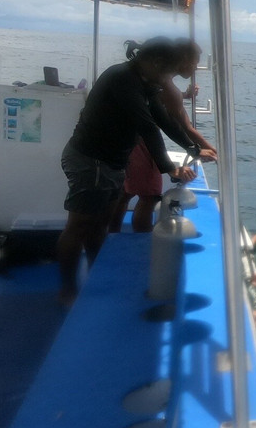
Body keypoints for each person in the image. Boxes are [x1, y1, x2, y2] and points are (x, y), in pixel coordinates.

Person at [56, 38, 200, 306]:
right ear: (156, 63)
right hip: (90, 161)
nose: (167, 80)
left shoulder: (145, 81)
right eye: (167, 73)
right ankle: (67, 291)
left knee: (101, 224)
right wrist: (170, 168)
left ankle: (95, 276)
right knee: (78, 227)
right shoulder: (122, 78)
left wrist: (193, 148)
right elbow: (147, 126)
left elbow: (162, 118)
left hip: (112, 162)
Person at [109, 39, 217, 233]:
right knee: (149, 195)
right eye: (194, 62)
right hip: (142, 142)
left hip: (131, 139)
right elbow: (184, 127)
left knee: (126, 192)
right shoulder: (163, 83)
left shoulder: (162, 82)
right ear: (182, 60)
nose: (195, 69)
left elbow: (164, 109)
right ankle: (142, 239)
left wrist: (184, 96)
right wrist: (213, 152)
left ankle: (112, 233)